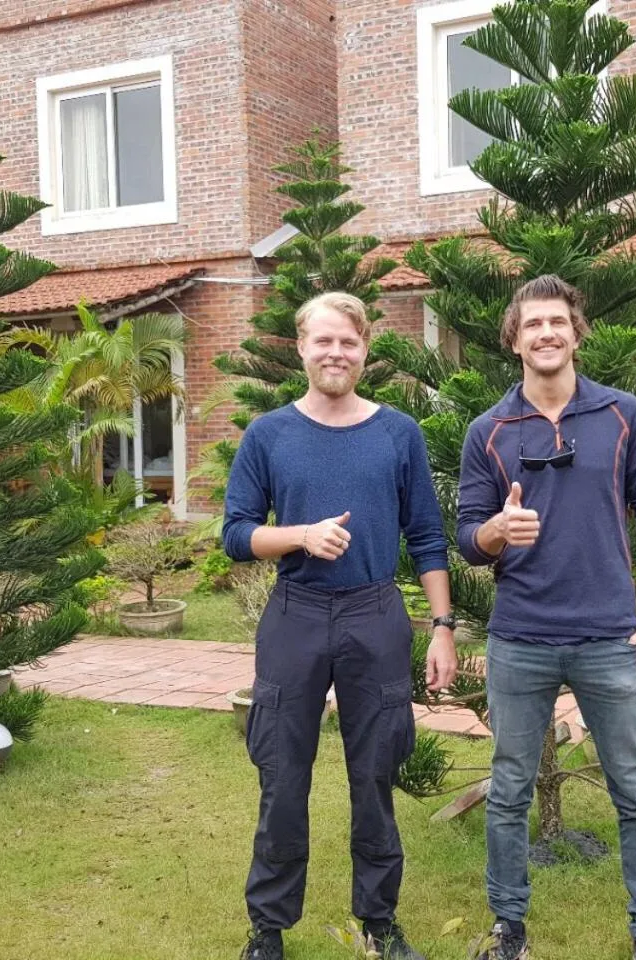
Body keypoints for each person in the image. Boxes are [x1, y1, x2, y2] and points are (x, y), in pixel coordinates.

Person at [223, 291, 459, 960]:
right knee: (282, 772)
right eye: (323, 341)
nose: (336, 353)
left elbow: (428, 535)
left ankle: (379, 921)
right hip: (296, 615)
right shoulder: (269, 434)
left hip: (375, 613)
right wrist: (299, 535)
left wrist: (441, 625)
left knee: (376, 771)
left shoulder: (397, 432)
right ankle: (268, 929)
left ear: (364, 351)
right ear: (301, 347)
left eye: (348, 343)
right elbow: (236, 534)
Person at [456, 275, 636, 960]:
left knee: (635, 794)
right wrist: (497, 529)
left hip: (609, 636)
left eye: (557, 321)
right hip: (521, 638)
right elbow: (467, 538)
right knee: (507, 792)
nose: (545, 334)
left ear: (577, 331)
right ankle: (509, 930)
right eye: (532, 325)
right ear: (513, 340)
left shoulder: (621, 415)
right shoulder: (488, 431)